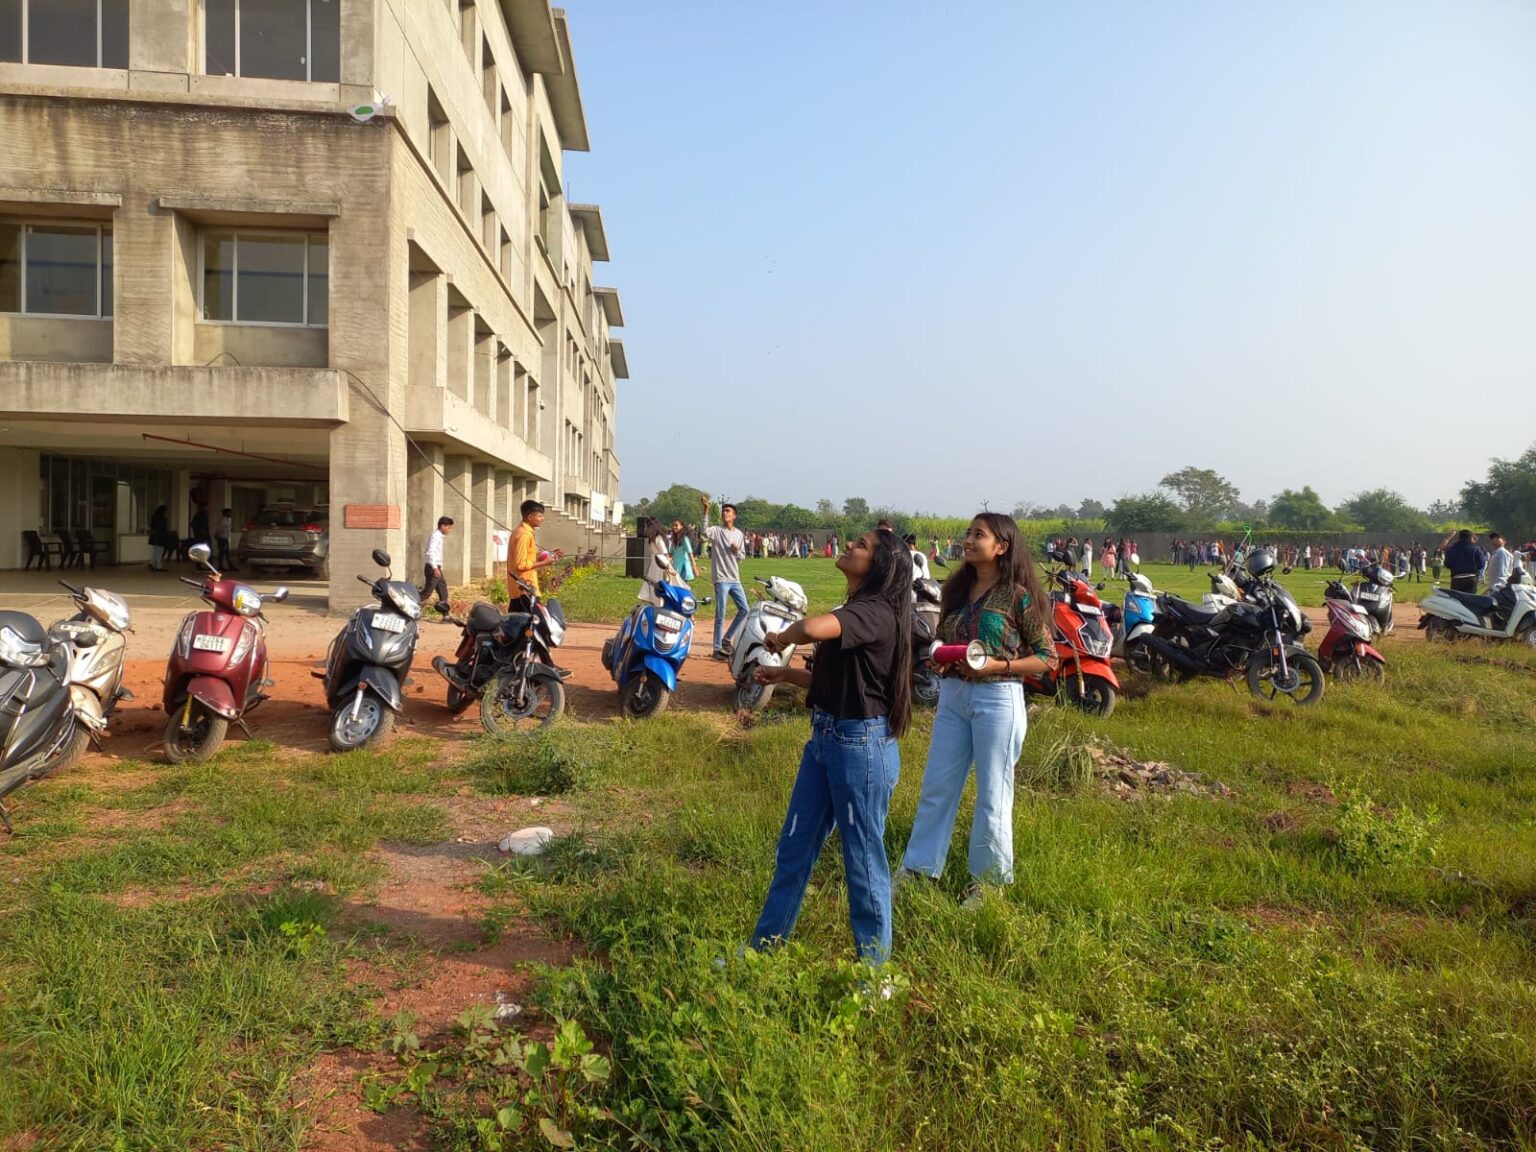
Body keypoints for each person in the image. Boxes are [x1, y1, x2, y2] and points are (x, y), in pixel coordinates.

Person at [748, 528, 913, 966]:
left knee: (862, 863)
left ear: (879, 566)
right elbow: (836, 683)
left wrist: (782, 638)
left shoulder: (875, 612)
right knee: (794, 851)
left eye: (862, 545)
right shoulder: (858, 610)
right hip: (826, 741)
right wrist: (785, 676)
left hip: (860, 749)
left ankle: (874, 975)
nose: (851, 546)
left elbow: (812, 628)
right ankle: (762, 951)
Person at [899, 513, 1055, 906]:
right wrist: (940, 658)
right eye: (967, 534)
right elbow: (941, 640)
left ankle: (988, 884)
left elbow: (1046, 657)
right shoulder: (955, 589)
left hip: (998, 698)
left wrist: (997, 665)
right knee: (937, 787)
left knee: (993, 794)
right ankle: (919, 869)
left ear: (1001, 547)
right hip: (953, 695)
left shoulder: (1017, 596)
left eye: (978, 535)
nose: (967, 540)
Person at [700, 495, 748, 659]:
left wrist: (736, 551)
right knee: (721, 612)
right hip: (721, 578)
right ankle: (717, 648)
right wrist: (705, 511)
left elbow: (742, 556)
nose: (725, 513)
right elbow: (704, 531)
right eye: (723, 511)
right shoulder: (716, 531)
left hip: (734, 578)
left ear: (734, 516)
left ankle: (727, 639)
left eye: (728, 511)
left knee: (744, 610)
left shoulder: (739, 534)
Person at [509, 500, 561, 607]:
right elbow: (521, 564)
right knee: (536, 621)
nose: (542, 519)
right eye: (540, 516)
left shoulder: (521, 531)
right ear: (530, 517)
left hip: (522, 589)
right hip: (525, 589)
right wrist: (545, 562)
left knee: (516, 622)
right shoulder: (524, 535)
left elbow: (524, 557)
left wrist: (544, 556)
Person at [638, 517, 677, 605]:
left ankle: (658, 603)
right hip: (655, 564)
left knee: (657, 585)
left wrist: (669, 567)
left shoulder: (658, 538)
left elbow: (665, 554)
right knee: (652, 584)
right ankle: (654, 602)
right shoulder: (653, 539)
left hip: (660, 565)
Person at [422, 515, 453, 611]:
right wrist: (435, 568)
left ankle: (446, 616)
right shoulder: (436, 535)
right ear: (442, 526)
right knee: (426, 594)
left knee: (443, 591)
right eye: (448, 527)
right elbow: (430, 552)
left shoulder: (439, 536)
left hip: (436, 567)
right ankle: (404, 606)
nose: (449, 530)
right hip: (432, 567)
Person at [1443, 529, 1481, 594]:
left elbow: (1447, 564)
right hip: (1471, 578)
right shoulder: (1475, 549)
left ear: (1459, 537)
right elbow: (1481, 564)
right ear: (1470, 537)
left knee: (1456, 600)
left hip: (1457, 578)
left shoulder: (1452, 549)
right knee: (1470, 600)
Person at [669, 518, 696, 584]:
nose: (674, 527)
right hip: (676, 569)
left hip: (684, 569)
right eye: (673, 525)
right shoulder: (674, 540)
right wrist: (665, 562)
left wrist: (694, 567)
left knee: (681, 588)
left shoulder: (685, 539)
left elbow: (690, 553)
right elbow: (670, 554)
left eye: (676, 525)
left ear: (681, 526)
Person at [148, 504, 172, 571]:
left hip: (155, 537)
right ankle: (159, 566)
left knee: (155, 551)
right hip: (160, 537)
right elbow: (162, 528)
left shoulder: (155, 517)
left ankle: (152, 563)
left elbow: (153, 527)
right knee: (159, 552)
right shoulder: (161, 518)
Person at [215, 507, 237, 571]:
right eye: (229, 512)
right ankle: (221, 566)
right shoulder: (223, 521)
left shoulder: (228, 520)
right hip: (222, 538)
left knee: (226, 553)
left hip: (225, 538)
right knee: (222, 552)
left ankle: (230, 566)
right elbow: (219, 529)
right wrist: (217, 535)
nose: (231, 514)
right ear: (226, 513)